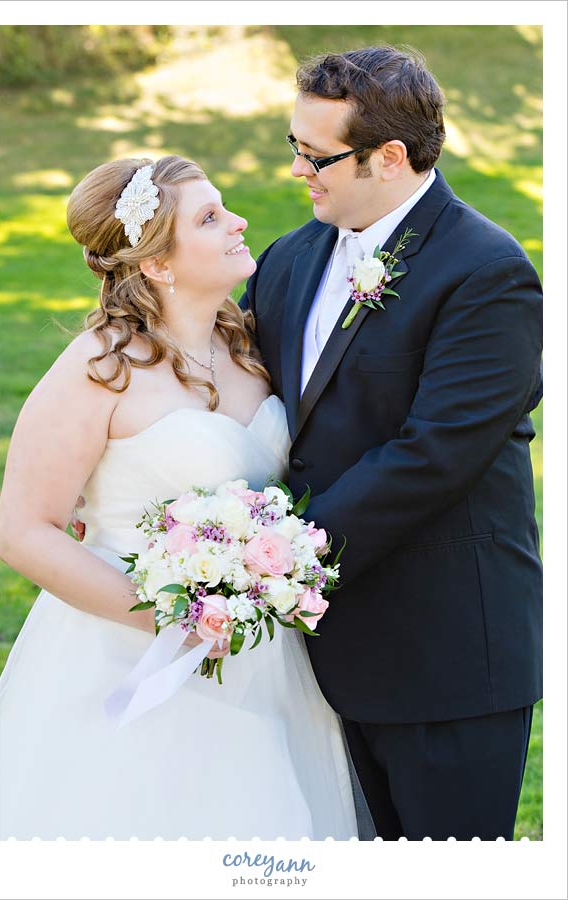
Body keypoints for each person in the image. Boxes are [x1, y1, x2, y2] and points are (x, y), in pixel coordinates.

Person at [0, 155, 363, 840]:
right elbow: (23, 530)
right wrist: (176, 620)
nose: (239, 221)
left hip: (262, 655)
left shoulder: (251, 346)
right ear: (158, 263)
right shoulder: (101, 365)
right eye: (210, 217)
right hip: (124, 649)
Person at [240, 46, 543, 840]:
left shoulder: (487, 272)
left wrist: (280, 559)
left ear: (391, 157)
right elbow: (230, 392)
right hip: (312, 663)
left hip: (444, 657)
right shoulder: (288, 259)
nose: (297, 170)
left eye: (317, 156)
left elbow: (434, 455)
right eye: (294, 145)